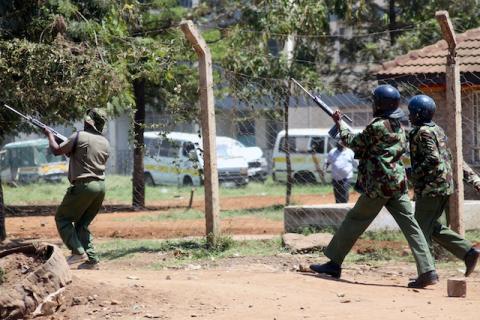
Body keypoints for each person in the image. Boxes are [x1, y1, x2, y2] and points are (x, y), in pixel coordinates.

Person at [310, 85, 437, 288]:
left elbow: (354, 142)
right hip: (398, 184)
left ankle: (333, 263)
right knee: (412, 227)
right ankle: (428, 270)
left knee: (354, 220)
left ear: (379, 104)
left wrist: (339, 123)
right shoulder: (399, 126)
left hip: (379, 186)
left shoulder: (377, 125)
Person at [408, 94, 480, 276]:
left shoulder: (422, 132)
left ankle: (427, 271)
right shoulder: (437, 129)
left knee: (419, 229)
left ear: (418, 114)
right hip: (444, 185)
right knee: (431, 226)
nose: (409, 116)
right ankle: (467, 252)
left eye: (411, 113)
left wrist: (413, 173)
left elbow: (433, 157)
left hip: (430, 187)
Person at [44, 109, 109, 269]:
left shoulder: (79, 136)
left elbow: (56, 150)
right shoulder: (105, 142)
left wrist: (49, 135)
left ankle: (78, 252)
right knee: (81, 224)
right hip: (100, 187)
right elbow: (82, 156)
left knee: (63, 219)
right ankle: (92, 261)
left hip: (84, 186)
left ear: (88, 122)